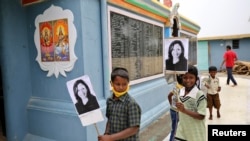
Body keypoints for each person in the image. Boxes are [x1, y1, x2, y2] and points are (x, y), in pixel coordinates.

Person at [98, 67, 141, 141]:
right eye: (117, 84)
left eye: (124, 84)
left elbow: (134, 129)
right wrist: (106, 134)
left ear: (128, 83)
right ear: (111, 83)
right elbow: (109, 120)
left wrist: (110, 138)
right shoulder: (110, 101)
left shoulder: (131, 104)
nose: (121, 87)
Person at [175, 65, 207, 141]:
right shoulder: (180, 92)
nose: (188, 80)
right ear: (182, 79)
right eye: (185, 77)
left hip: (195, 135)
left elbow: (201, 116)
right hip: (181, 133)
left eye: (191, 77)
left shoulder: (199, 95)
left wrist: (184, 110)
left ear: (196, 79)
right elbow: (179, 113)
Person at [167, 74, 183, 141]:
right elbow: (169, 95)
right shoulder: (178, 88)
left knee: (178, 127)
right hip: (175, 111)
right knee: (175, 128)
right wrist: (172, 104)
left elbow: (169, 96)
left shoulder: (181, 87)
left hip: (179, 111)